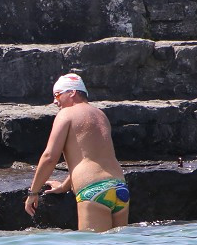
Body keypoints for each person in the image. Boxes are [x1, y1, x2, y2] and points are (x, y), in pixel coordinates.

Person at [24, 73, 130, 232]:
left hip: (94, 191)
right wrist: (65, 186)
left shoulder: (66, 114)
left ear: (72, 92)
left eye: (57, 95)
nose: (55, 101)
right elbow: (92, 156)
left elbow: (50, 157)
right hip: (119, 188)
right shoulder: (100, 115)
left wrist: (33, 192)